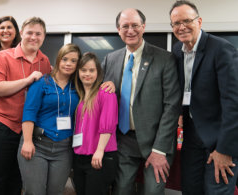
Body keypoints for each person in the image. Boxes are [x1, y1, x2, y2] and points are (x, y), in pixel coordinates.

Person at [101, 8, 181, 195]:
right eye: (125, 26)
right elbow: (100, 97)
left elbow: (172, 106)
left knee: (153, 192)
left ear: (143, 27)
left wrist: (160, 149)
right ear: (118, 30)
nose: (130, 30)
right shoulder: (110, 59)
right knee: (121, 190)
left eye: (135, 25)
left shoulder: (165, 58)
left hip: (156, 141)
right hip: (123, 141)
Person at [170, 1, 238, 194]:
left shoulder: (222, 50)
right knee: (190, 189)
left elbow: (234, 104)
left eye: (187, 20)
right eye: (176, 23)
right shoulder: (177, 51)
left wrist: (225, 150)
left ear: (199, 21)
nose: (181, 27)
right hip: (191, 137)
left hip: (220, 138)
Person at [0, 17, 52, 195]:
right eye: (29, 33)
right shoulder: (3, 56)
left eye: (38, 33)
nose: (33, 37)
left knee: (17, 180)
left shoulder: (45, 62)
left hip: (28, 130)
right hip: (2, 125)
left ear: (44, 36)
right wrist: (27, 80)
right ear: (22, 34)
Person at [17, 43, 81, 195]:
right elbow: (29, 112)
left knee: (56, 191)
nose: (68, 64)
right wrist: (27, 141)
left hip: (63, 149)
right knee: (35, 192)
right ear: (58, 59)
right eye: (65, 59)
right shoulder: (42, 82)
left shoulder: (78, 87)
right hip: (38, 146)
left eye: (74, 61)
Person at [72, 52, 118, 195]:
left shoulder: (106, 93)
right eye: (83, 70)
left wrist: (99, 151)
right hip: (80, 156)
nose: (87, 74)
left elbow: (108, 125)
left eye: (91, 70)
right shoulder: (78, 95)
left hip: (99, 156)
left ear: (98, 72)